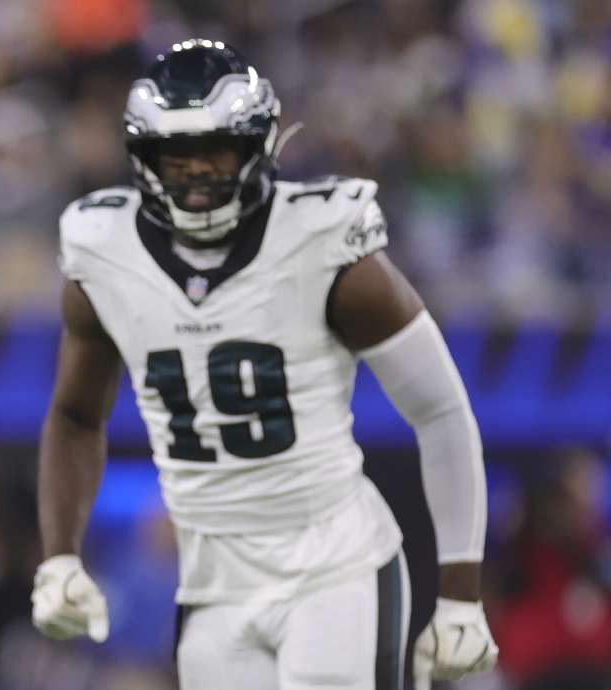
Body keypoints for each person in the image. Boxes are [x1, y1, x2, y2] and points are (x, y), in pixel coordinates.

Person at [31, 40, 498, 690]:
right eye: (177, 154)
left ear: (258, 146)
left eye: (216, 149)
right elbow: (76, 414)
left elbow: (442, 412)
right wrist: (60, 557)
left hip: (336, 565)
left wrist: (461, 592)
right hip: (210, 579)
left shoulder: (322, 243)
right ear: (145, 157)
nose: (196, 171)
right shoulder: (103, 253)